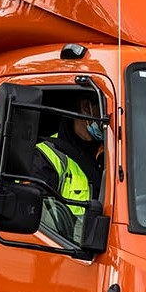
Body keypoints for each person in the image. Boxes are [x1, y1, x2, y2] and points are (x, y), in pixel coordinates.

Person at [29, 95, 106, 241]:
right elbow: (32, 216)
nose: (112, 118)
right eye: (107, 110)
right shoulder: (46, 157)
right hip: (69, 253)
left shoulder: (115, 155)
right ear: (86, 108)